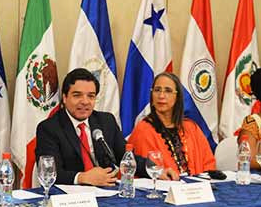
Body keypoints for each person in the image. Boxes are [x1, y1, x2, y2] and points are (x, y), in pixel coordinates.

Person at [35, 68, 178, 186]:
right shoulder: (49, 128)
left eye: (91, 96)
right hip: (70, 202)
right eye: (77, 95)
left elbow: (126, 156)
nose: (85, 102)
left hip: (106, 195)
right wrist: (82, 177)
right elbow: (49, 172)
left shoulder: (106, 121)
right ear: (65, 98)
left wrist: (156, 170)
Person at [128, 72, 216, 176]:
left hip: (196, 189)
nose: (161, 96)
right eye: (157, 90)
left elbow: (209, 165)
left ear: (177, 97)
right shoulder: (143, 130)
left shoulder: (191, 127)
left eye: (168, 91)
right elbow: (142, 172)